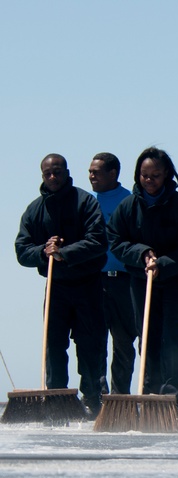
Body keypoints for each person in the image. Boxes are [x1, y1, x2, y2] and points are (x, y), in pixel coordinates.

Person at [107, 147, 178, 405]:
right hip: (141, 282)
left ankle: (171, 399)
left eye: (155, 175)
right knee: (148, 338)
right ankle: (150, 397)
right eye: (144, 175)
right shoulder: (127, 206)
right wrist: (142, 254)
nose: (149, 180)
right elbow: (115, 240)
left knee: (174, 338)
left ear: (167, 175)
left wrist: (162, 263)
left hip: (177, 281)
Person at [15, 153, 108, 418]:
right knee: (54, 345)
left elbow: (98, 241)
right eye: (48, 174)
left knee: (90, 345)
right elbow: (21, 250)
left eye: (57, 172)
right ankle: (57, 400)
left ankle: (92, 399)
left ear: (67, 172)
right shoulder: (35, 209)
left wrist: (64, 252)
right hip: (56, 287)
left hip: (88, 285)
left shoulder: (85, 202)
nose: (53, 177)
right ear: (42, 176)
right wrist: (44, 252)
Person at [89, 152, 138, 395]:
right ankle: (98, 398)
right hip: (93, 281)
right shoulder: (86, 203)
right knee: (95, 342)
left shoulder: (129, 201)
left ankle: (120, 398)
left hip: (124, 282)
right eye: (90, 172)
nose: (91, 176)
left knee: (123, 343)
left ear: (113, 173)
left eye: (96, 172)